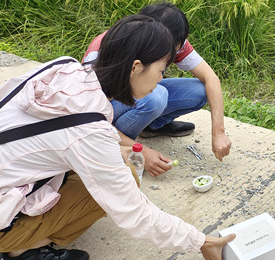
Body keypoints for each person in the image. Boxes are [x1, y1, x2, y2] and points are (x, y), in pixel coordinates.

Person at [0, 14, 235, 260]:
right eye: (160, 70)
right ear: (135, 67)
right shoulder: (89, 132)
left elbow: (76, 129)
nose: (161, 79)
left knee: (109, 163)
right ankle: (22, 249)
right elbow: (134, 214)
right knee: (124, 180)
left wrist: (121, 147)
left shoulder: (64, 67)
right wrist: (201, 241)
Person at [83, 2, 231, 177]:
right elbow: (88, 120)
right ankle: (121, 147)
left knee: (198, 91)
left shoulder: (171, 42)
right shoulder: (102, 56)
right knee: (156, 96)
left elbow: (211, 79)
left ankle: (151, 127)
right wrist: (140, 152)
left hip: (114, 102)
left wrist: (218, 132)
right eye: (161, 67)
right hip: (99, 112)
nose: (162, 76)